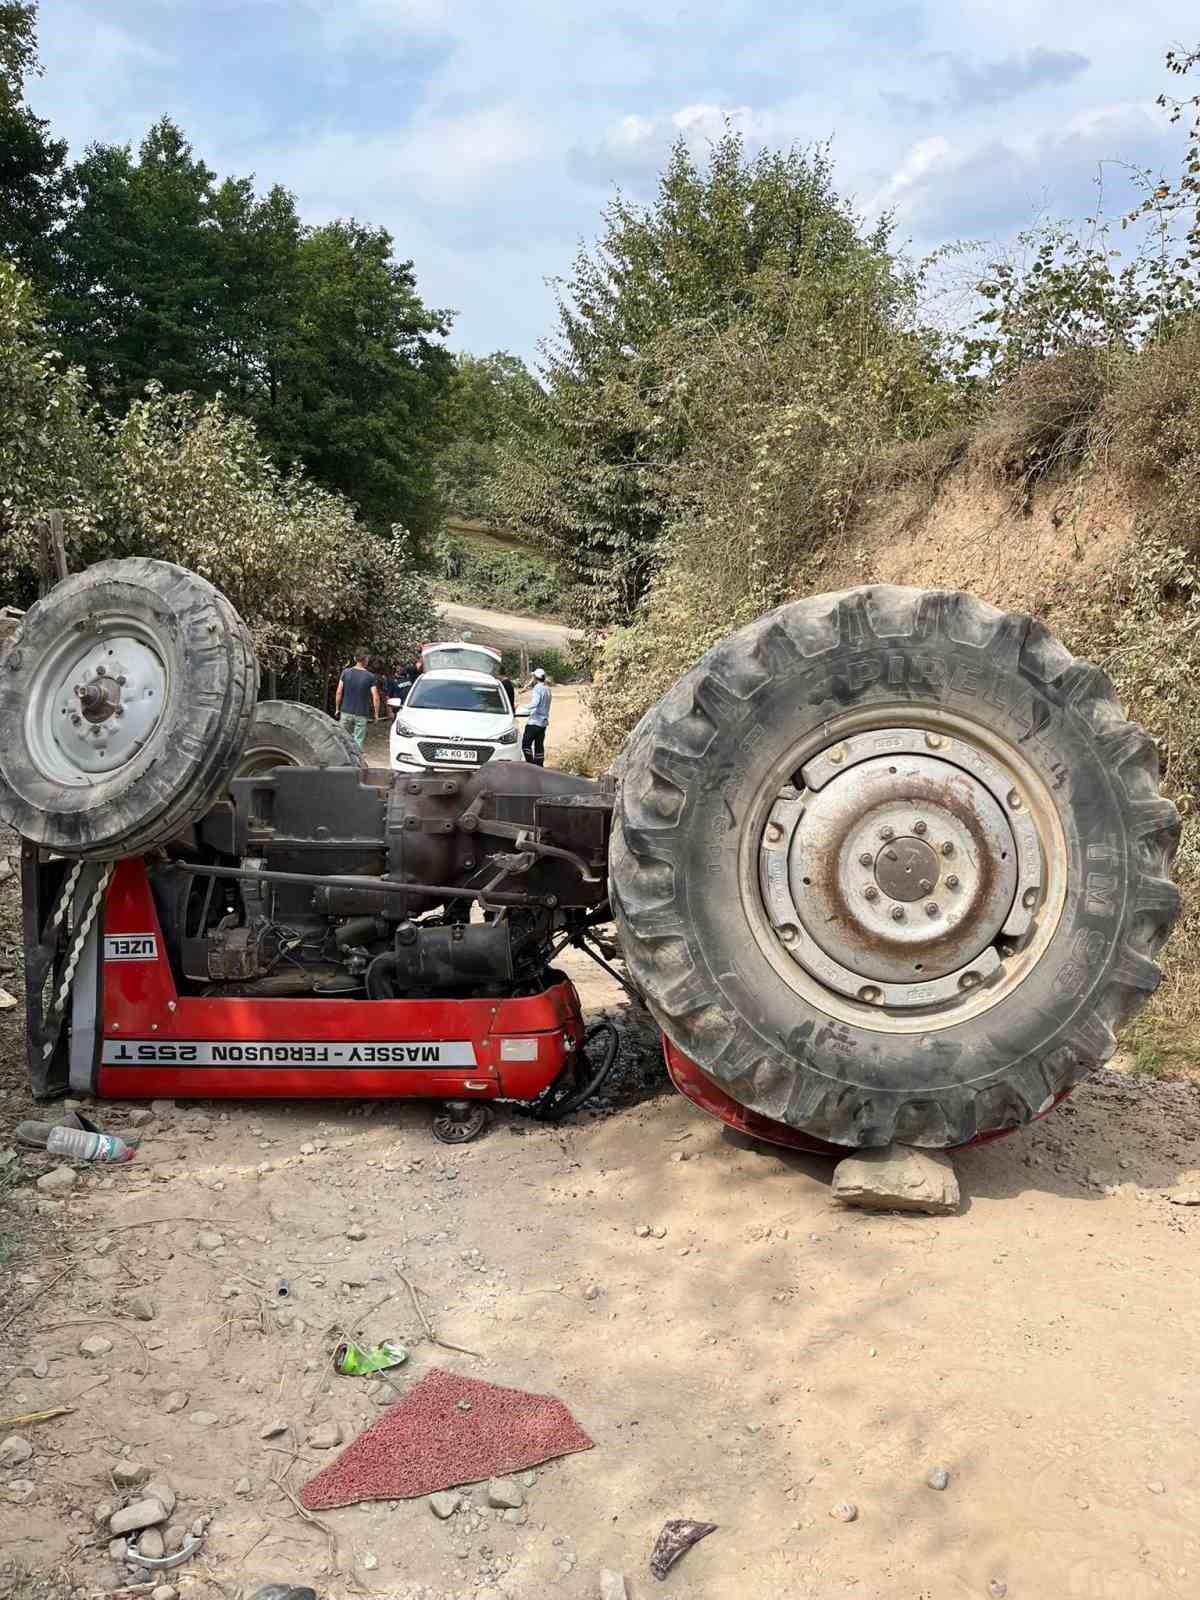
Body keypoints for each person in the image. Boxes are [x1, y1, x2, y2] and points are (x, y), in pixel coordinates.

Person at [335, 650, 380, 748]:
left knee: (342, 739)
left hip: (346, 711)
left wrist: (337, 708)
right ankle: (356, 761)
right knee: (358, 742)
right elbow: (375, 697)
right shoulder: (370, 677)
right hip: (361, 714)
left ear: (355, 659)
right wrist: (376, 714)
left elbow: (339, 691)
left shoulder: (345, 672)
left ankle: (341, 759)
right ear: (365, 660)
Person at [516, 666, 551, 765]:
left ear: (536, 678)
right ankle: (539, 766)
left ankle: (530, 765)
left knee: (526, 744)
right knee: (539, 746)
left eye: (533, 677)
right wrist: (525, 688)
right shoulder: (547, 689)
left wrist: (521, 708)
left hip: (534, 722)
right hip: (543, 723)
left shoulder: (537, 688)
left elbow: (535, 703)